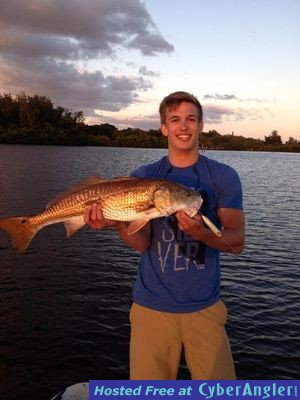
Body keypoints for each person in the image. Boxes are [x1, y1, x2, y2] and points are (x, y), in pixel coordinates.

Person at [84, 91, 245, 380]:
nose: (183, 126)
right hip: (150, 307)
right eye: (175, 120)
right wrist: (119, 223)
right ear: (164, 128)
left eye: (190, 119)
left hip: (205, 307)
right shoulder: (145, 175)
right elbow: (142, 243)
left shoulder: (223, 176)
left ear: (201, 125)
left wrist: (201, 234)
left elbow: (237, 242)